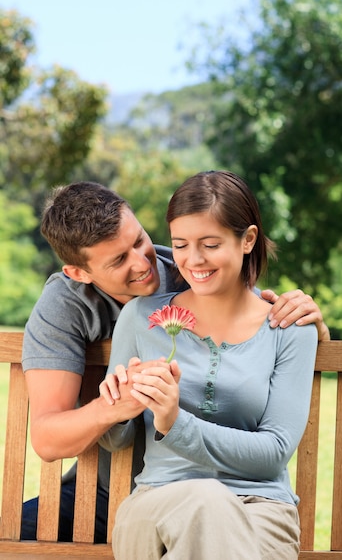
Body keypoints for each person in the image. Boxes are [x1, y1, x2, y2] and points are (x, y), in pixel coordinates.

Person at [21, 180, 329, 544]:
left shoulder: (190, 266)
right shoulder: (68, 307)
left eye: (139, 241)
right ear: (80, 273)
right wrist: (115, 405)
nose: (142, 263)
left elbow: (249, 314)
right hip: (118, 490)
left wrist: (311, 327)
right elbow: (47, 437)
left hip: (237, 490)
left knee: (211, 509)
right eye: (119, 260)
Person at [99, 170, 318, 560]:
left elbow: (274, 452)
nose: (192, 260)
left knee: (211, 504)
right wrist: (117, 406)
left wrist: (174, 423)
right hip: (157, 507)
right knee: (204, 499)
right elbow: (117, 439)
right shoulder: (140, 317)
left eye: (210, 244)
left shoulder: (290, 329)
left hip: (260, 513)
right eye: (180, 244)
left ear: (248, 239)